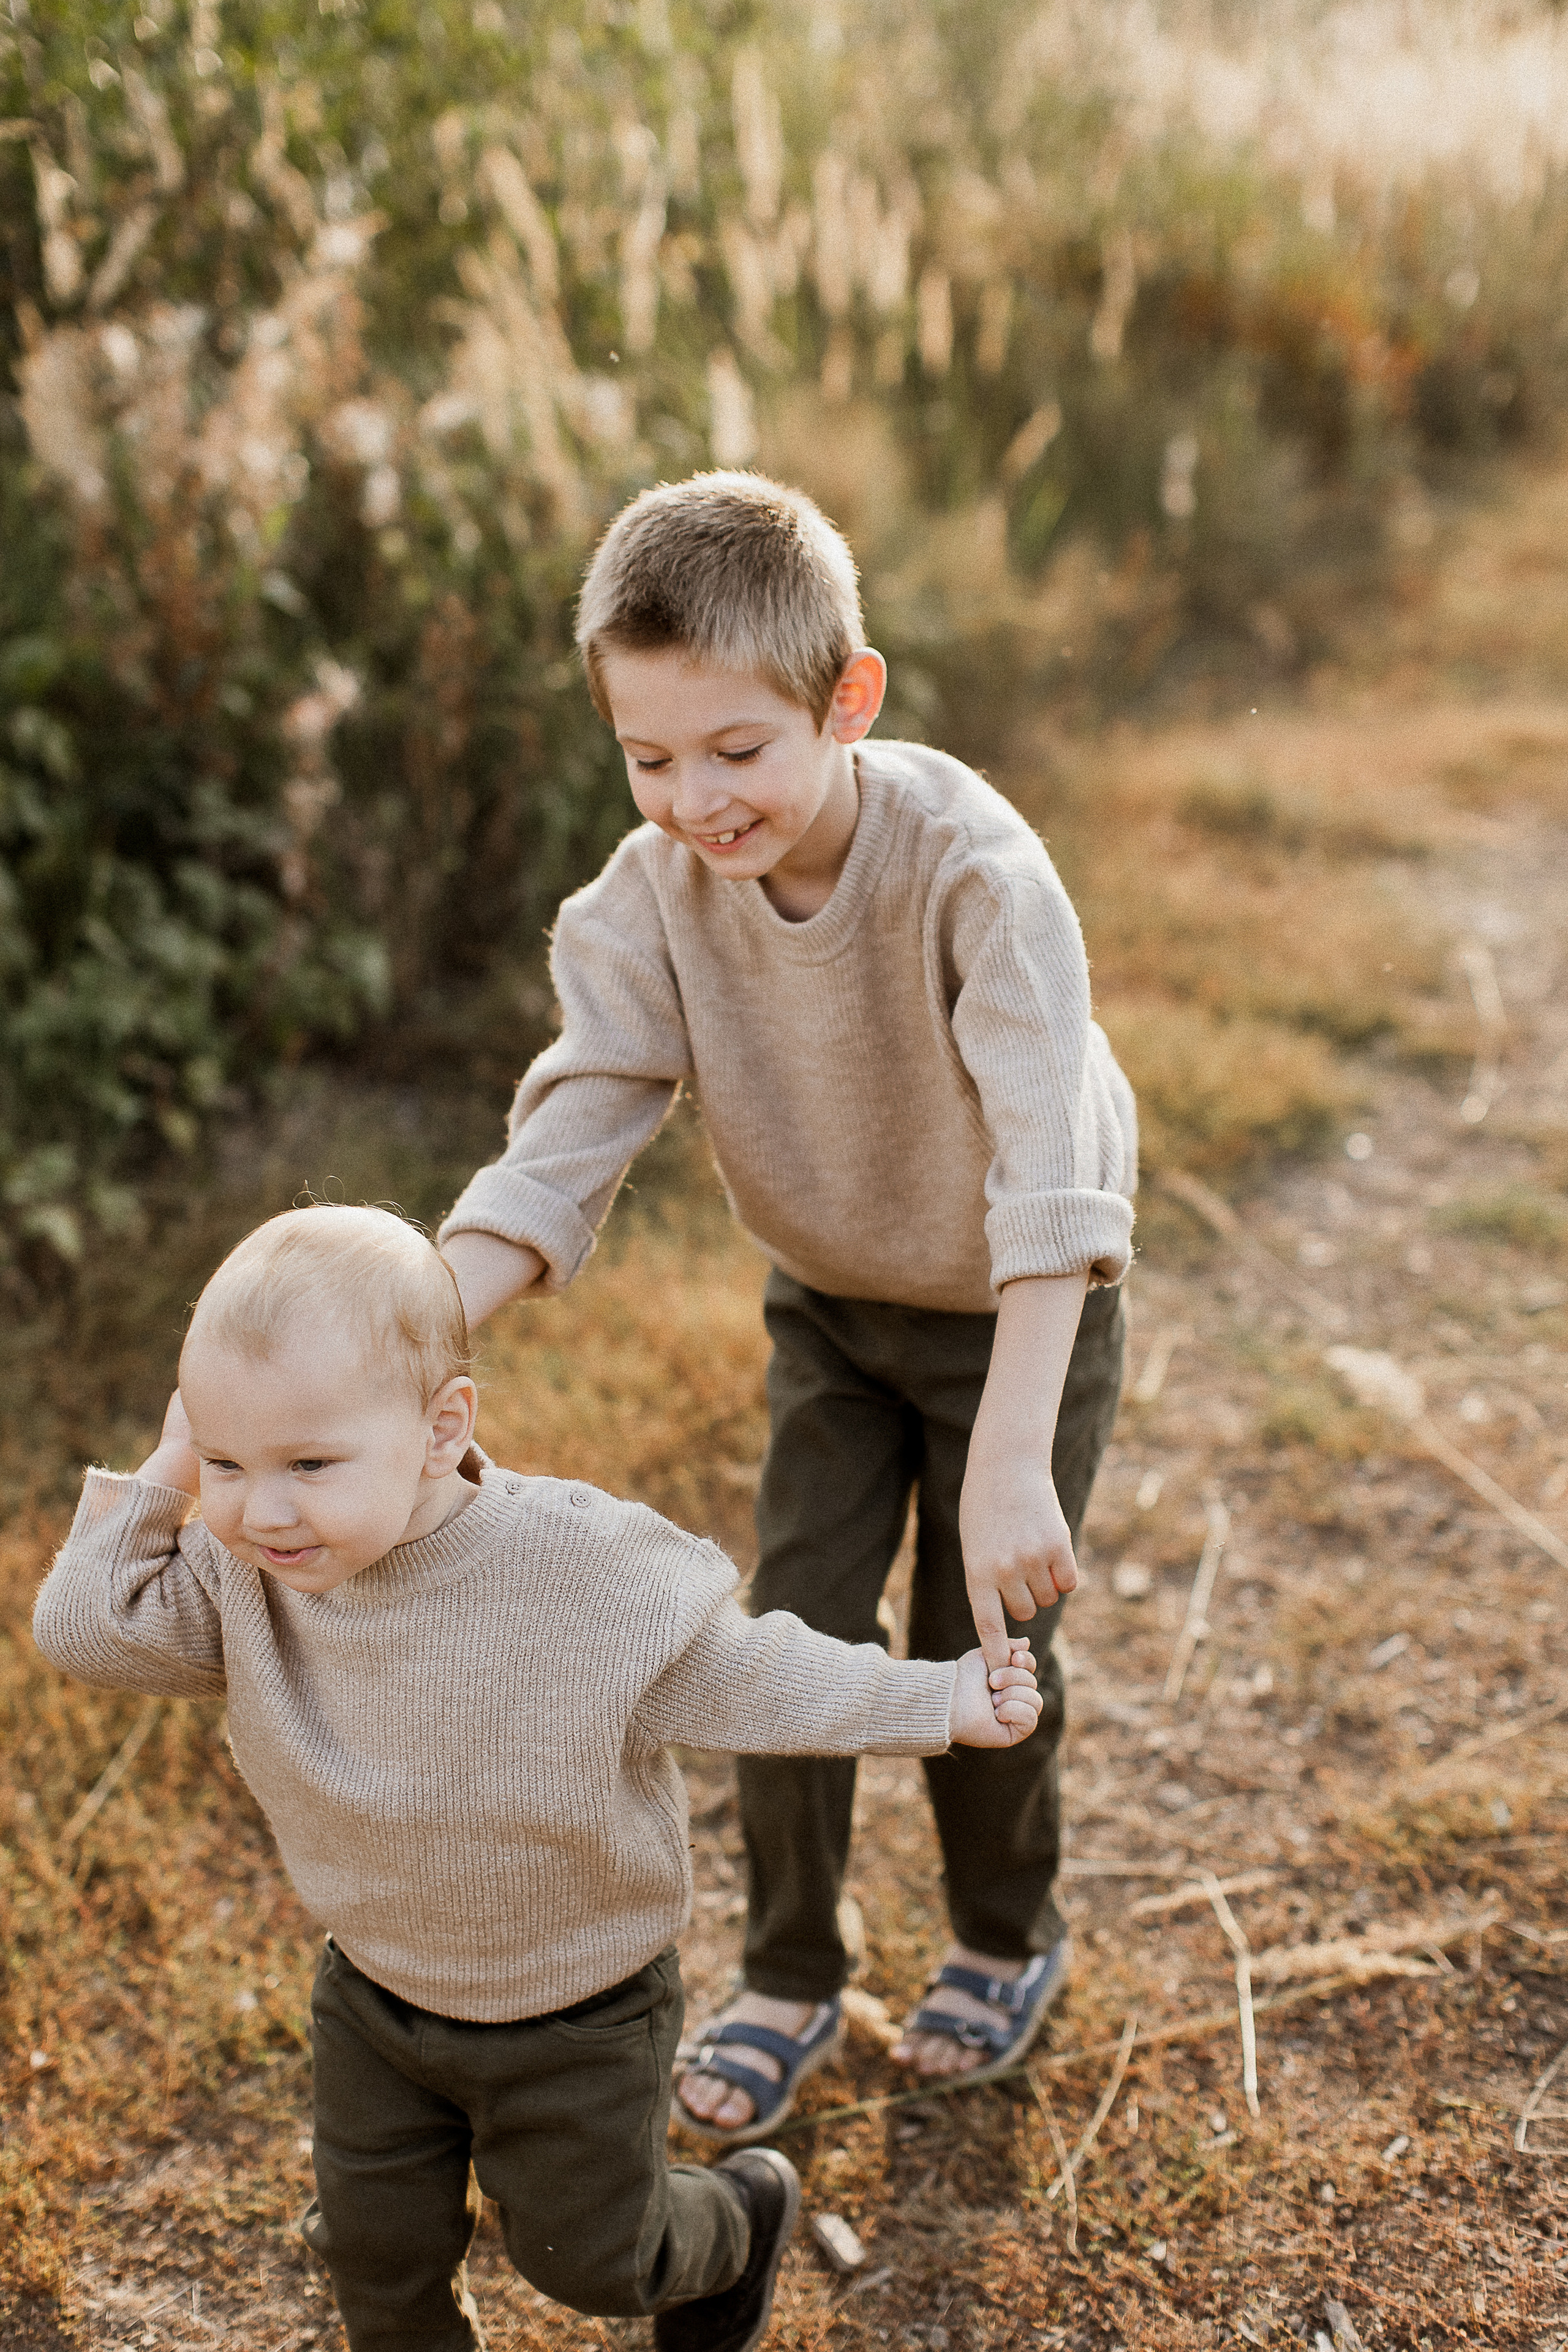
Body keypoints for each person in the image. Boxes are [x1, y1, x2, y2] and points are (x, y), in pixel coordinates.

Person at [437, 472, 1137, 2143]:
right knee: (789, 1637)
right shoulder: (651, 903)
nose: (695, 801)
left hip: (1014, 1312)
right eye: (649, 758)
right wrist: (412, 1324)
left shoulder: (975, 873)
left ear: (848, 698)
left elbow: (1057, 1170)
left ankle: (999, 1936)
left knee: (986, 1637)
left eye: (737, 752)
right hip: (833, 1308)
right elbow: (573, 1133)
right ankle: (791, 1969)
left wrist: (1014, 1452)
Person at [32, 1204, 1044, 2352]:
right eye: (228, 1460)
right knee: (376, 2257)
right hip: (374, 1995)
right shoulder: (249, 1571)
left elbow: (751, 1675)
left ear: (438, 1425)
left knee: (596, 2261)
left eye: (309, 1462)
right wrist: (173, 1467)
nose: (262, 1508)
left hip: (579, 2005)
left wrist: (938, 1700)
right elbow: (84, 1630)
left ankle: (739, 2219)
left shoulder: (577, 1576)